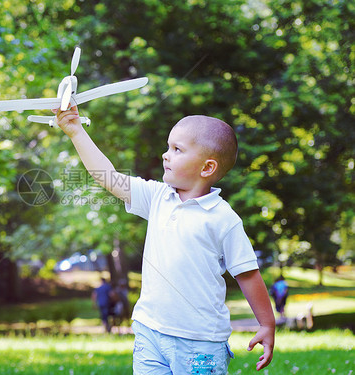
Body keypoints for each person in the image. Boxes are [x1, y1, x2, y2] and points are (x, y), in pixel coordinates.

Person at [53, 106, 275, 373]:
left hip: (200, 342)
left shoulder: (223, 219)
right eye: (168, 147)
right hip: (150, 331)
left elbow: (247, 274)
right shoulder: (158, 197)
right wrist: (76, 131)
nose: (165, 155)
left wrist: (266, 324)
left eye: (176, 150)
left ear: (207, 167)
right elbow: (108, 177)